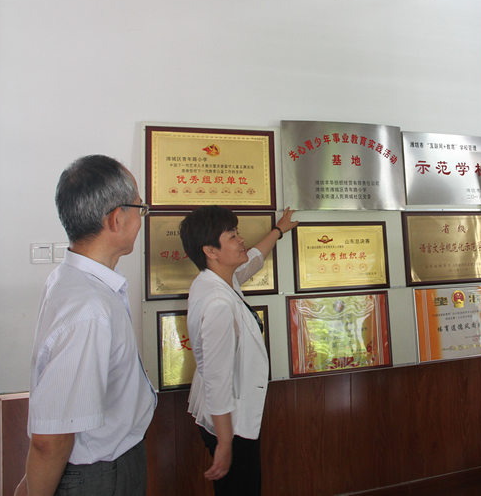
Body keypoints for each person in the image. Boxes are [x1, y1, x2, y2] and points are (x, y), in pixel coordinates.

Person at [15, 155, 156, 496]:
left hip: (107, 463)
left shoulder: (72, 280)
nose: (141, 218)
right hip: (99, 475)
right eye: (140, 207)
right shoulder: (88, 307)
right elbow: (52, 439)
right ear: (116, 219)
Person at [179, 205, 297, 495]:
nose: (241, 239)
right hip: (229, 423)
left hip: (225, 417)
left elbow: (253, 260)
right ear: (211, 250)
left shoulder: (214, 280)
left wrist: (279, 230)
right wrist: (225, 442)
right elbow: (218, 379)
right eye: (232, 235)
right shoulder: (218, 303)